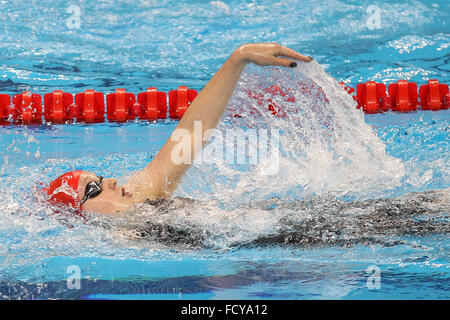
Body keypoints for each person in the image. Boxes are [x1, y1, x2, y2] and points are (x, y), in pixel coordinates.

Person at [43, 43, 313, 215]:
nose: (112, 181)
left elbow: (193, 133)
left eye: (100, 178)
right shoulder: (129, 251)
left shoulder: (142, 193)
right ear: (80, 215)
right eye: (94, 188)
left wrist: (238, 58)